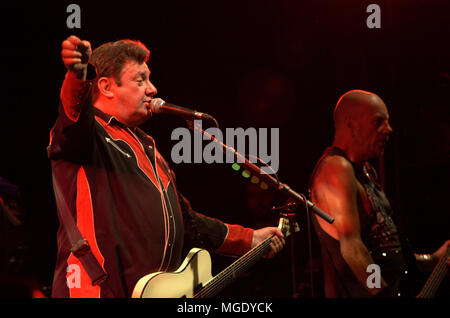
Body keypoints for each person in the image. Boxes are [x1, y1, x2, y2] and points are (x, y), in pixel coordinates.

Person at [48, 35, 285, 298]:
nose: (152, 89)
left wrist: (248, 239)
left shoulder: (147, 146)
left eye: (149, 79)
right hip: (95, 291)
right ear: (106, 86)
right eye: (140, 80)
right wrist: (77, 78)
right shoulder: (88, 134)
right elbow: (73, 117)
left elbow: (187, 222)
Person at [309, 90, 449, 298]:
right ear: (350, 125)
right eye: (378, 122)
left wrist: (431, 260)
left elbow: (382, 247)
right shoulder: (336, 169)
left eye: (388, 122)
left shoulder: (366, 171)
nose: (389, 129)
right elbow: (353, 250)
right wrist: (383, 294)